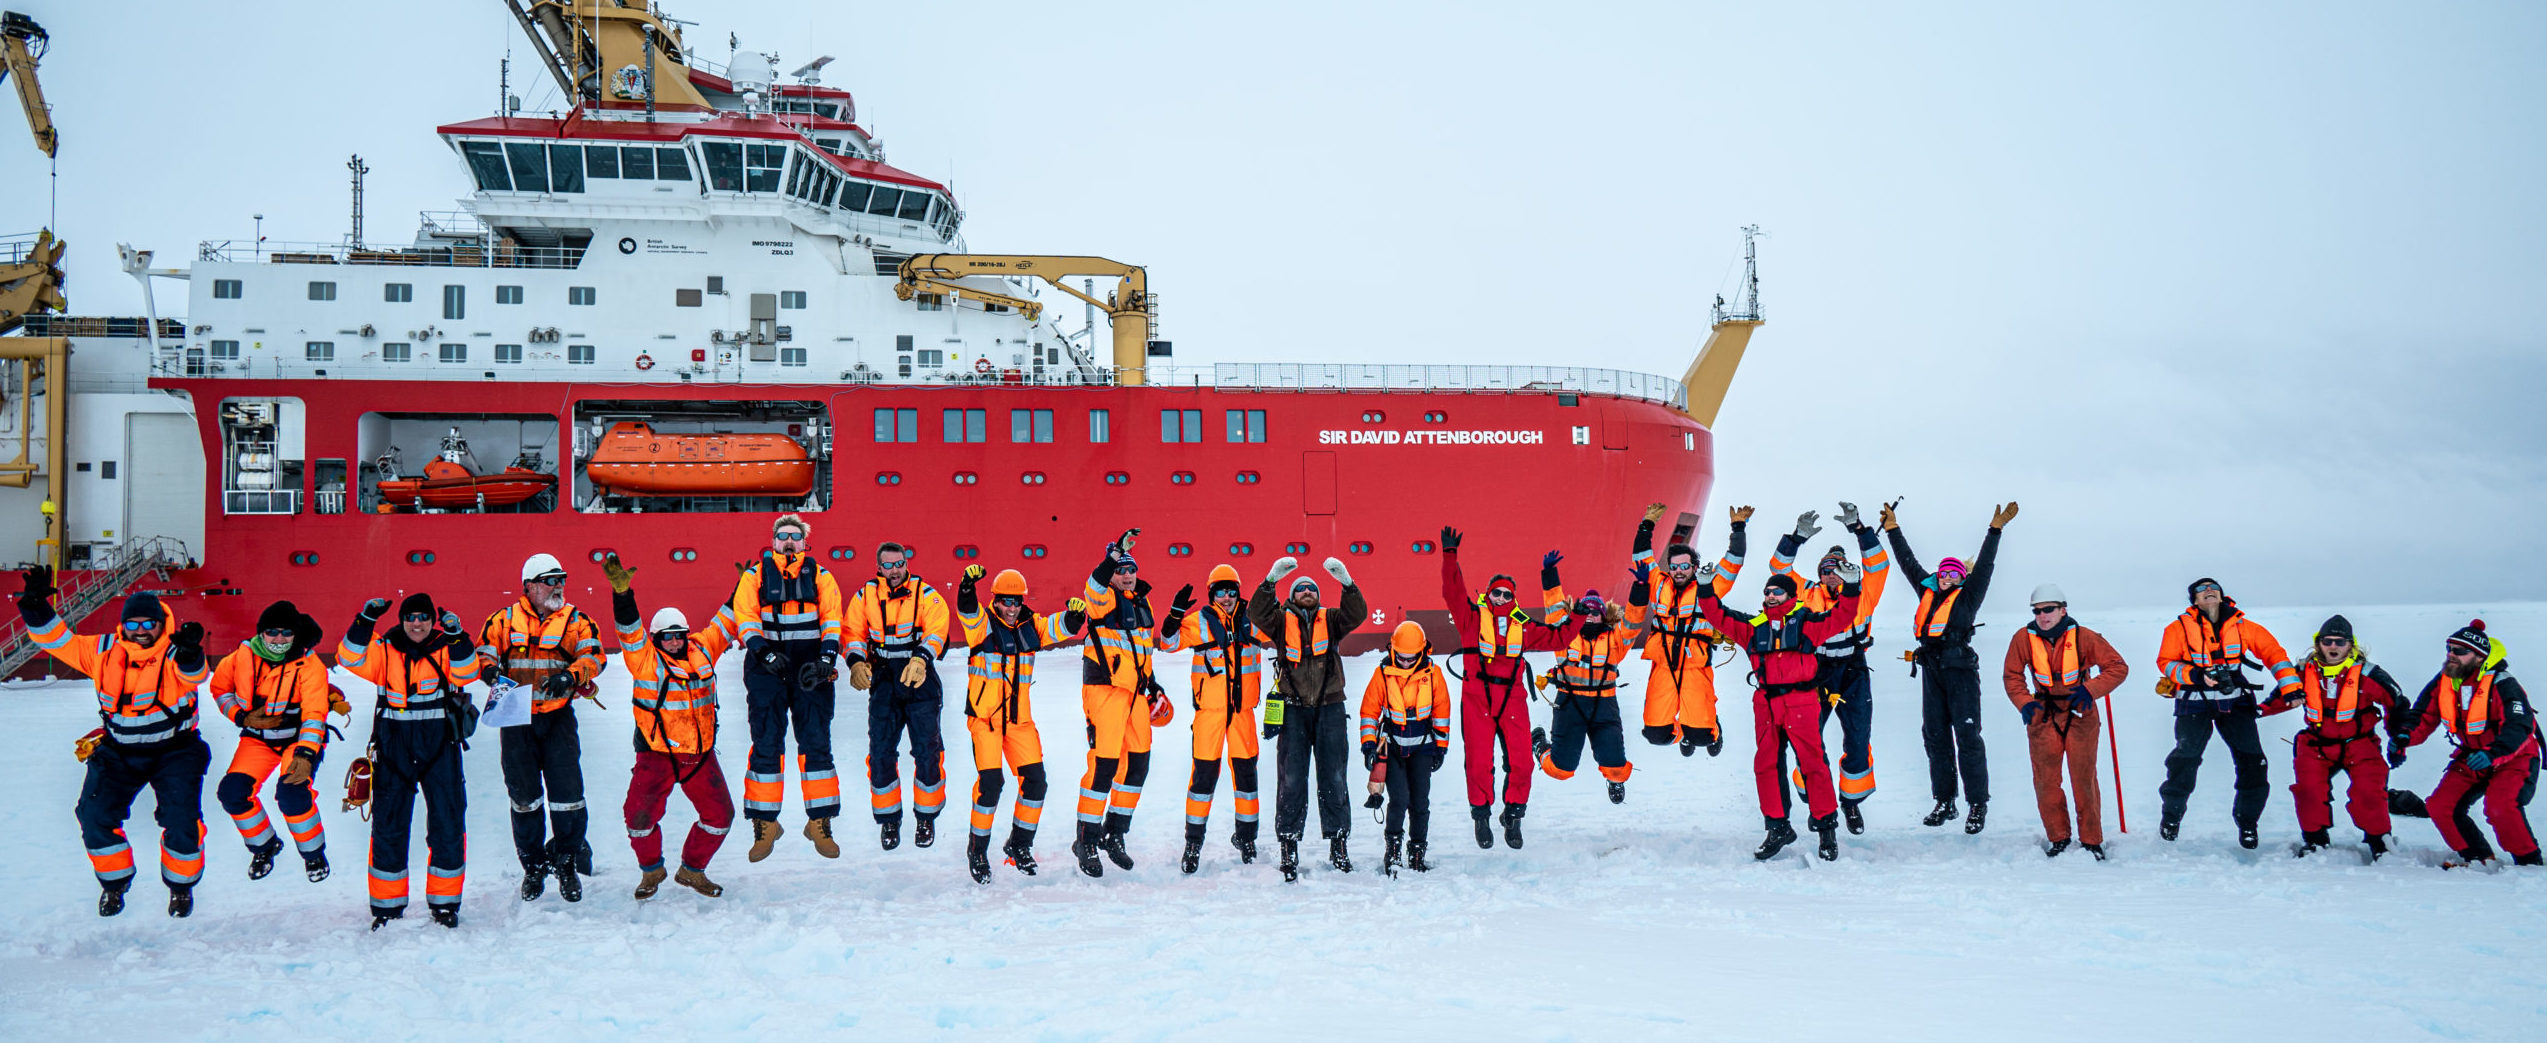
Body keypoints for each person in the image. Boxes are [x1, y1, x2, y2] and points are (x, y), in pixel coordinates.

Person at [19, 568, 213, 918]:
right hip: (119, 749)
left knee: (182, 819)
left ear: (161, 624)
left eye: (148, 624)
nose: (141, 631)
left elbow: (195, 675)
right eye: (134, 624)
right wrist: (35, 607)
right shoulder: (102, 650)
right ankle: (114, 884)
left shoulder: (175, 651)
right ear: (124, 625)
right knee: (92, 814)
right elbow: (56, 641)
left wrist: (190, 654)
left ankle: (181, 888)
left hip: (175, 750)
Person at [1697, 567, 1862, 861]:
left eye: (1777, 592)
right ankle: (1777, 828)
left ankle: (1826, 829)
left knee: (1813, 763)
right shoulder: (1752, 626)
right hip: (1766, 703)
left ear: (1791, 596)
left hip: (1801, 702)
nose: (1770, 596)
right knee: (1766, 765)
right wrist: (1706, 588)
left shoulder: (1808, 623)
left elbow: (1843, 616)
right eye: (1767, 592)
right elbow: (1717, 615)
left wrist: (1851, 586)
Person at [340, 592, 482, 929]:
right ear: (401, 620)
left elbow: (469, 672)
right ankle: (386, 907)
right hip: (394, 745)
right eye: (410, 617)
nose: (416, 624)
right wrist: (366, 620)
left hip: (439, 745)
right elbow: (348, 656)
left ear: (432, 620)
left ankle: (445, 905)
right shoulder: (384, 650)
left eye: (422, 617)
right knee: (389, 824)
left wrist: (458, 635)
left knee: (447, 823)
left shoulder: (446, 647)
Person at [477, 553, 606, 902]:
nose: (559, 586)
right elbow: (484, 652)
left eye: (561, 579)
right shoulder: (503, 620)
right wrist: (488, 670)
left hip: (557, 719)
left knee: (568, 797)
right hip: (515, 718)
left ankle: (566, 862)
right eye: (551, 580)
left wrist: (571, 674)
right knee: (524, 799)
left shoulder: (576, 620)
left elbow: (594, 655)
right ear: (530, 585)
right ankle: (533, 868)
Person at [1885, 501, 2018, 834]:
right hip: (1932, 670)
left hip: (1960, 671)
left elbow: (1985, 565)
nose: (1946, 578)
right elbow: (1908, 563)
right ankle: (1945, 801)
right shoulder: (1926, 591)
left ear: (1962, 578)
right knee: (1935, 737)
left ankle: (1977, 805)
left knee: (1968, 736)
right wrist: (1892, 529)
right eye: (1943, 573)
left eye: (1953, 574)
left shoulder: (1969, 597)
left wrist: (1994, 530)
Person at [1440, 526, 1571, 849]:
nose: (1501, 598)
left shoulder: (1524, 627)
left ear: (1514, 599)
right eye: (1496, 593)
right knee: (1479, 762)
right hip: (1476, 699)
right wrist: (1449, 555)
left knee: (1523, 761)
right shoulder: (1471, 618)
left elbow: (1560, 638)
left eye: (1507, 594)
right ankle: (1481, 817)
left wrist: (1578, 617)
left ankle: (1513, 816)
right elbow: (1452, 591)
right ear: (1488, 594)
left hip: (1512, 699)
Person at [955, 565, 1086, 883]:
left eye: (1016, 601)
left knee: (1036, 783)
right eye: (1005, 601)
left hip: (1019, 723)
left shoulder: (1033, 626)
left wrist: (1074, 616)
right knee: (990, 786)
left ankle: (1019, 845)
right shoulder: (982, 626)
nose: (1011, 607)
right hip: (985, 721)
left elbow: (1060, 627)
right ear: (995, 600)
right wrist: (967, 586)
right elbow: (968, 610)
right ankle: (977, 850)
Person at [731, 513, 848, 862]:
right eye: (783, 536)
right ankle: (765, 824)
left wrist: (827, 657)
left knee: (816, 743)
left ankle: (820, 821)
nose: (789, 542)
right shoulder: (754, 577)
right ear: (773, 542)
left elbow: (832, 618)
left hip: (809, 666)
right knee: (767, 741)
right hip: (768, 666)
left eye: (795, 536)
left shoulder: (822, 576)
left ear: (805, 542)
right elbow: (746, 617)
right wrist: (763, 653)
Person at [2153, 577, 2301, 848]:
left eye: (2213, 588)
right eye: (2201, 589)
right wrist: (2197, 674)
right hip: (2193, 701)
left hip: (2235, 703)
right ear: (2194, 600)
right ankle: (2171, 817)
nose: (2208, 591)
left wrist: (2290, 687)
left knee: (2253, 762)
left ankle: (2248, 824)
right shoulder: (2177, 629)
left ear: (2221, 595)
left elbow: (2274, 654)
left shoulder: (2244, 626)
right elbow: (2166, 663)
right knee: (2184, 760)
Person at [1247, 554, 1370, 882]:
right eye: (1301, 589)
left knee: (1334, 778)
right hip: (1292, 710)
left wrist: (1347, 583)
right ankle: (1289, 846)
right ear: (1292, 595)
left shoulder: (1331, 620)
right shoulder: (1278, 620)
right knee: (1291, 780)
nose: (1306, 592)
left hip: (1330, 708)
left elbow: (1358, 613)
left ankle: (1339, 844)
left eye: (1311, 589)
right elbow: (1256, 611)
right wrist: (1270, 579)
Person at [1769, 503, 1888, 831]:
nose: (1830, 576)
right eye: (1825, 571)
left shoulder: (1863, 596)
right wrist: (1796, 538)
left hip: (1853, 671)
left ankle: (1850, 803)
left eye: (1836, 570)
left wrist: (1860, 529)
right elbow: (1777, 568)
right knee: (1807, 740)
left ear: (1848, 571)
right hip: (1815, 672)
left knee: (1858, 739)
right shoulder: (1807, 593)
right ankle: (1816, 799)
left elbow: (1879, 565)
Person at [2392, 620, 2540, 867]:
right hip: (2472, 756)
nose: (2451, 654)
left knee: (2500, 807)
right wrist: (2405, 736)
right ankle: (2478, 858)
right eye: (2449, 648)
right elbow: (2423, 715)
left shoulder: (2504, 684)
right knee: (2440, 806)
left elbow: (2520, 726)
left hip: (2514, 757)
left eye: (2460, 651)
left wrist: (2494, 753)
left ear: (2479, 657)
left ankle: (2529, 862)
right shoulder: (2444, 680)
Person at [2259, 614, 2407, 859]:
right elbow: (2280, 698)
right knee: (2308, 790)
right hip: (2317, 743)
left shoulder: (2370, 675)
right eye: (2328, 641)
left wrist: (2399, 739)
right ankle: (2315, 840)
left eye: (2340, 642)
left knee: (2369, 793)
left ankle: (2380, 842)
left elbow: (2398, 704)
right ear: (2319, 644)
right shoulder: (2303, 671)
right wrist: (2258, 711)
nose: (2333, 647)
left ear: (2351, 645)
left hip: (2360, 744)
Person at [209, 600, 336, 884]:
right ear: (261, 633)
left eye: (286, 633)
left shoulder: (309, 664)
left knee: (292, 795)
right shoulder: (241, 657)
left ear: (296, 634)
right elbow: (219, 689)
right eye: (272, 632)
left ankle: (313, 853)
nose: (279, 639)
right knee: (232, 793)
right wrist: (241, 717)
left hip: (296, 739)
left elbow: (315, 713)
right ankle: (265, 847)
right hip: (258, 740)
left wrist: (305, 754)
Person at [1073, 528, 1174, 876]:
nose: (1127, 575)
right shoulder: (1101, 600)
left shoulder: (1140, 603)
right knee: (1103, 769)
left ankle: (1115, 834)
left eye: (1131, 569)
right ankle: (1086, 840)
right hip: (1105, 693)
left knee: (1138, 767)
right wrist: (1113, 554)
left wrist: (1154, 686)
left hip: (1135, 696)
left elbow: (1141, 654)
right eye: (1121, 570)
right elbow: (1094, 586)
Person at [2000, 585, 2128, 859]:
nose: (2043, 615)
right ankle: (2058, 838)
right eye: (2037, 611)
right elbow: (2012, 675)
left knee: (2083, 778)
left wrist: (2090, 690)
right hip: (2043, 716)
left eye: (2048, 609)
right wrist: (2025, 704)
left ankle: (2092, 841)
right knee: (2046, 781)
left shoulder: (2085, 637)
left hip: (2081, 713)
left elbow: (2117, 667)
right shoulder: (2022, 638)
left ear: (2062, 610)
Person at [842, 541, 952, 851]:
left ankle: (926, 818)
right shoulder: (865, 596)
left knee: (928, 750)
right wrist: (855, 661)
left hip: (920, 676)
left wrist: (921, 658)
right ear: (878, 568)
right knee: (880, 752)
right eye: (888, 565)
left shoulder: (925, 594)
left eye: (899, 564)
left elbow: (937, 627)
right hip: (884, 677)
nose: (895, 570)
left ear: (906, 564)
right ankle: (889, 820)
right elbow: (852, 631)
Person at [1159, 563, 1267, 873]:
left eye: (1231, 590)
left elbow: (1280, 631)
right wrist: (1175, 614)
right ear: (1211, 594)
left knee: (1247, 779)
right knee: (1203, 780)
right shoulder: (1198, 623)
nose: (1226, 596)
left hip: (1243, 715)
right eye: (1220, 591)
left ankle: (1247, 839)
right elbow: (1167, 644)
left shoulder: (1253, 620)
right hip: (1209, 716)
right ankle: (1193, 843)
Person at [1628, 504, 1750, 759]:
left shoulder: (1708, 587)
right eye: (1674, 567)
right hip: (1663, 667)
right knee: (1655, 735)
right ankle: (1682, 733)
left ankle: (1711, 726)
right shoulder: (1659, 586)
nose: (1679, 571)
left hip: (1695, 666)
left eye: (1684, 566)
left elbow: (1733, 564)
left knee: (1703, 738)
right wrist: (1646, 525)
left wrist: (1738, 529)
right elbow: (1641, 556)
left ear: (1694, 566)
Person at [1531, 585, 1638, 804]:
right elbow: (1554, 611)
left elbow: (1633, 623)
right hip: (1571, 706)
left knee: (1617, 767)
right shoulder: (1565, 636)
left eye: (1595, 612)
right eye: (1586, 611)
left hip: (1603, 707)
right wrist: (1550, 577)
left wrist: (1641, 588)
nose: (1590, 616)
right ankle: (1540, 745)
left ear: (1603, 616)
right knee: (1560, 770)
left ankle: (1614, 781)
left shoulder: (1614, 642)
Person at [1360, 621, 1453, 875]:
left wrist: (1440, 748)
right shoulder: (1382, 673)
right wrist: (1369, 745)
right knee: (1399, 799)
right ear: (1393, 650)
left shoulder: (1433, 674)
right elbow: (1369, 711)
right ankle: (1392, 851)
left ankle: (1417, 853)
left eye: (1410, 657)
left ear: (1422, 652)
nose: (1405, 661)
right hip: (1391, 748)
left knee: (1420, 802)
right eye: (1400, 656)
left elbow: (1441, 711)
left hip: (1423, 748)